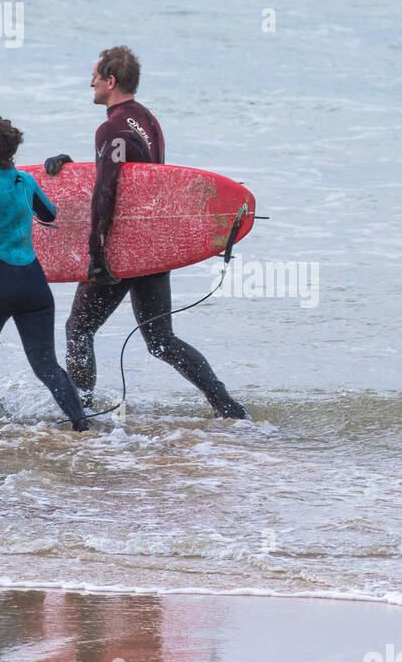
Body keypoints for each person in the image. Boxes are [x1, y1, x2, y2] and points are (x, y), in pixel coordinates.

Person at [45, 47, 249, 419]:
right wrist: (74, 171)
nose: (89, 82)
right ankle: (229, 408)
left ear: (111, 81)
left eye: (94, 76)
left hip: (121, 250)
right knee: (160, 340)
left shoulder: (111, 127)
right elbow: (134, 178)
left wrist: (97, 254)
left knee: (78, 329)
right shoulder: (148, 121)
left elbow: (107, 191)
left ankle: (80, 415)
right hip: (153, 245)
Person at [0, 114, 89, 431]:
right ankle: (82, 425)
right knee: (46, 365)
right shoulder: (26, 181)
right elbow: (49, 213)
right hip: (33, 284)